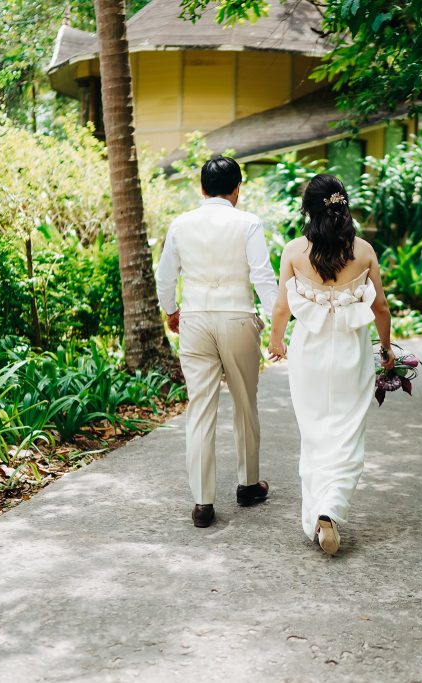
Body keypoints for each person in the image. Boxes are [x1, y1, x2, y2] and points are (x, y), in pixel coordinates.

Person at [267, 174, 395, 555]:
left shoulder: (293, 251)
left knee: (315, 434)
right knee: (347, 434)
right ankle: (330, 508)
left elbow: (280, 309)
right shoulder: (366, 251)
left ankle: (319, 513)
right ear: (344, 204)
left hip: (309, 355)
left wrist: (276, 343)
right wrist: (386, 350)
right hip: (351, 356)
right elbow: (381, 309)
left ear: (308, 208)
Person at [156, 156, 279, 528]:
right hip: (237, 317)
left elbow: (164, 277)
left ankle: (202, 502)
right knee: (245, 403)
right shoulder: (248, 223)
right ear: (237, 189)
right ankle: (247, 485)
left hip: (194, 319)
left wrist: (172, 310)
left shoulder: (181, 224)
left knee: (200, 409)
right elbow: (263, 277)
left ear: (201, 188)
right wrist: (278, 326)